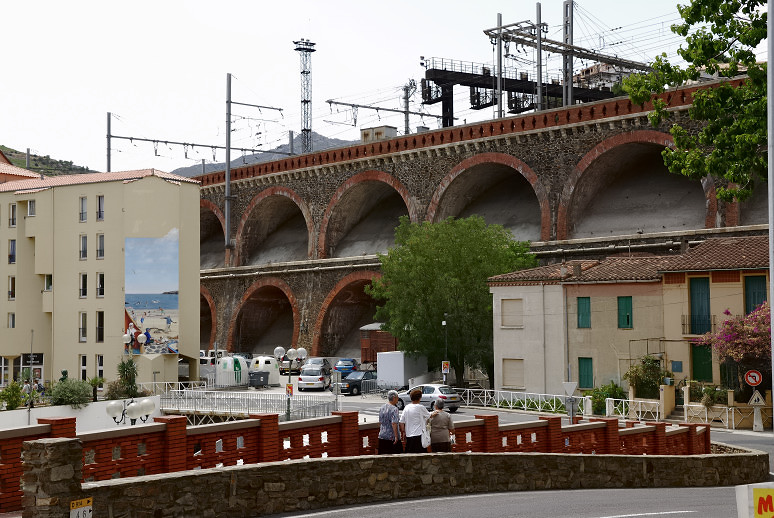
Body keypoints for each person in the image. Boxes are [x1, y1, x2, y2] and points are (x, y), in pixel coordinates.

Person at [399, 388, 430, 453]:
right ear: (420, 397)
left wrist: (403, 432)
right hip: (419, 435)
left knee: (409, 454)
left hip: (409, 435)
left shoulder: (407, 407)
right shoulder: (421, 407)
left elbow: (401, 421)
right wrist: (434, 413)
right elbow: (429, 416)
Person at [378, 390, 402, 454]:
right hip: (391, 437)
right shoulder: (394, 409)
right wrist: (396, 436)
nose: (398, 399)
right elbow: (394, 423)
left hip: (382, 435)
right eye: (397, 397)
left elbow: (380, 421)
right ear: (394, 398)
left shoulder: (382, 407)